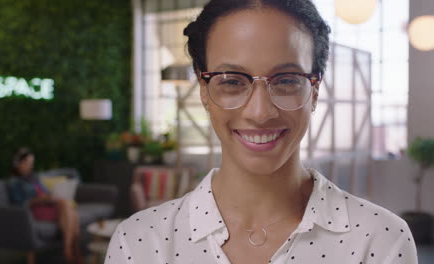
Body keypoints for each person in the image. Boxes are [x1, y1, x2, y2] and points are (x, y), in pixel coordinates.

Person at [105, 0, 418, 263]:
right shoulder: (140, 243)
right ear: (203, 90)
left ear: (315, 91)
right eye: (231, 81)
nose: (260, 112)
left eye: (285, 80)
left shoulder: (380, 240)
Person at [7, 147, 83, 264]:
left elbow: (46, 192)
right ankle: (71, 250)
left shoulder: (34, 178)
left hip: (49, 205)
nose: (30, 166)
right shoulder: (14, 182)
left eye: (31, 163)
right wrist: (38, 199)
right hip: (35, 209)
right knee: (67, 207)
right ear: (17, 163)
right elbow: (19, 204)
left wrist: (50, 196)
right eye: (26, 163)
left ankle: (70, 250)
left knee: (69, 209)